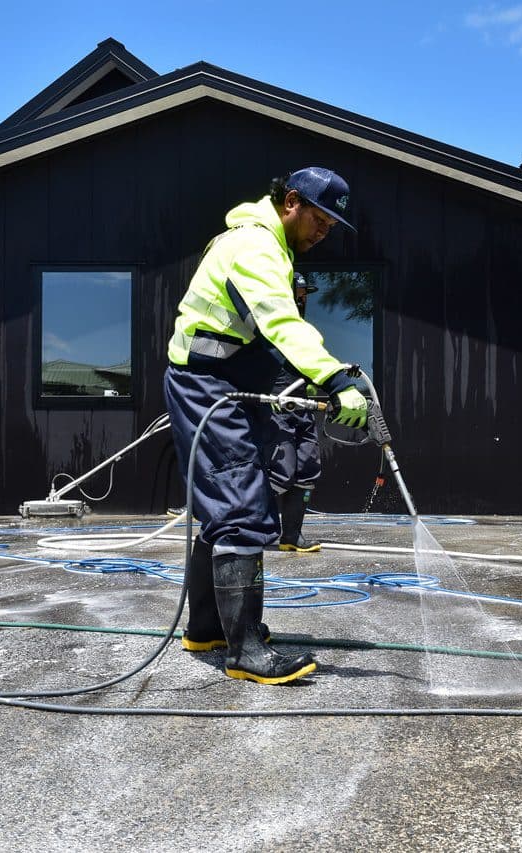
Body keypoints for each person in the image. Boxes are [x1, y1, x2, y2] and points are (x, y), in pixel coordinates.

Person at [164, 167, 368, 685]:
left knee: (227, 511)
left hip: (230, 383)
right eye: (320, 221)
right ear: (292, 202)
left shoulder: (274, 249)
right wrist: (334, 376)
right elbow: (281, 322)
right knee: (242, 507)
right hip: (205, 385)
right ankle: (245, 652)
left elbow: (265, 334)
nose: (323, 234)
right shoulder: (254, 246)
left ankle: (208, 629)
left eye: (330, 227)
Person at [270, 275, 325, 553]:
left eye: (305, 294)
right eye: (299, 292)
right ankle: (257, 529)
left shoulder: (305, 331)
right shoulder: (269, 325)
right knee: (280, 470)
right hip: (275, 408)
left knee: (307, 469)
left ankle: (292, 535)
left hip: (302, 407)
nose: (302, 298)